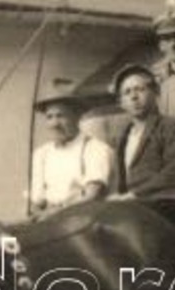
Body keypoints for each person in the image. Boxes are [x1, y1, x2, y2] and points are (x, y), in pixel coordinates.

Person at [107, 64, 175, 227]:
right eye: (127, 92)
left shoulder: (172, 128)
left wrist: (135, 195)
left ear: (155, 92)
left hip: (170, 207)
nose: (134, 97)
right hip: (137, 210)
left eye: (140, 89)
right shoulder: (123, 137)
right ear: (121, 102)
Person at [27, 82, 112, 218]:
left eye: (61, 116)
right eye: (50, 117)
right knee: (5, 237)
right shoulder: (41, 153)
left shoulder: (95, 148)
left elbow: (92, 196)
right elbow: (37, 201)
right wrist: (38, 212)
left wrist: (56, 212)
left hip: (83, 218)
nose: (55, 124)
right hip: (48, 219)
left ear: (77, 117)